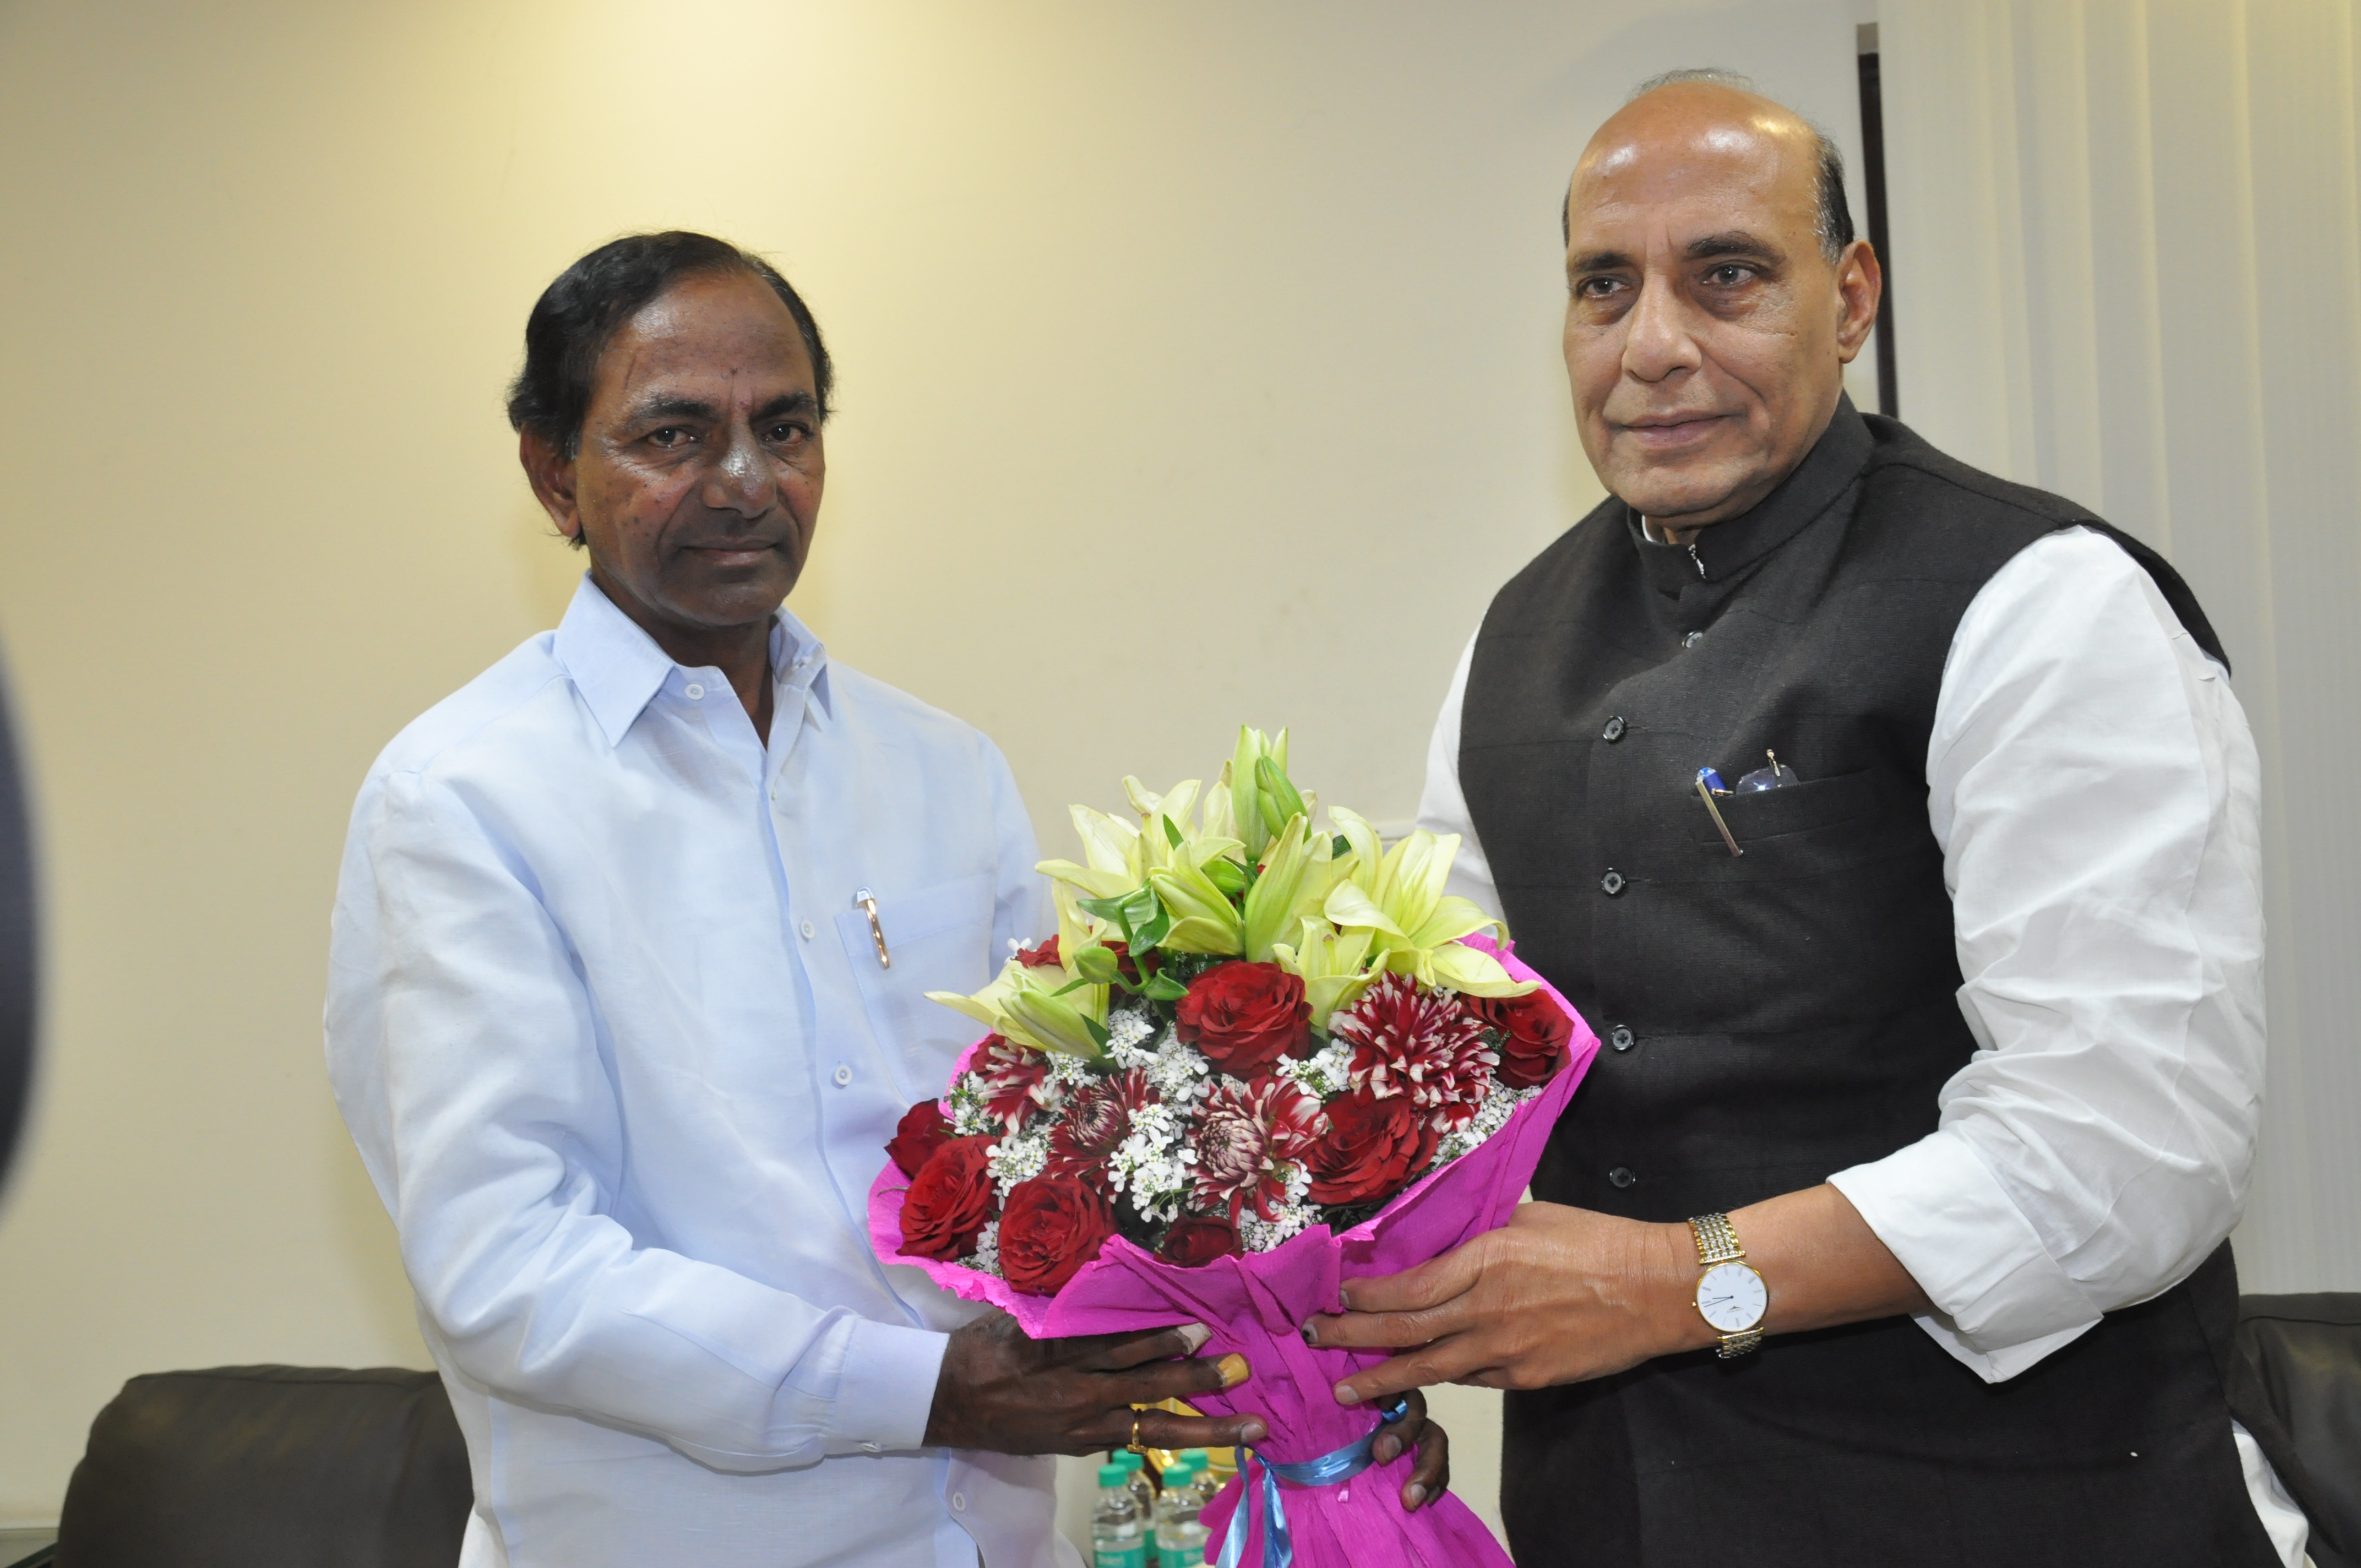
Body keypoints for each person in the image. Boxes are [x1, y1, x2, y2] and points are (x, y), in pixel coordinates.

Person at [1302, 73, 2319, 1567]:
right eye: (1604, 287)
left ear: (1851, 300)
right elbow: (1451, 1079)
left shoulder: (2042, 603)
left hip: (2022, 1511)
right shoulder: (1507, 645)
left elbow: (2127, 1155)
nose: (1654, 347)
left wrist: (1667, 1284)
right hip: (1614, 1518)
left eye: (1725, 276)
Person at [324, 232, 1444, 1568]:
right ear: (550, 471)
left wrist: (1295, 1390)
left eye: (783, 426)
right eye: (673, 434)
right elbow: (508, 1270)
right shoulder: (461, 799)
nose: (745, 480)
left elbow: (1076, 1173)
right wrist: (920, 1391)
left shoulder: (940, 768)